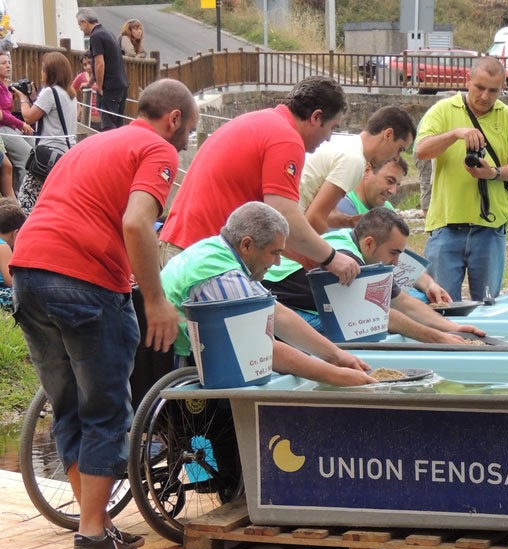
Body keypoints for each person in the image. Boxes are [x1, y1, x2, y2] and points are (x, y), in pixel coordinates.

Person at [10, 79, 199, 549]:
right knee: (108, 408)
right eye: (190, 130)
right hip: (85, 282)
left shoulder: (93, 145)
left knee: (68, 405)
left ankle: (97, 525)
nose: (187, 142)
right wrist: (156, 300)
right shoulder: (156, 149)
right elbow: (137, 223)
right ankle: (92, 533)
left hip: (27, 273)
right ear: (173, 119)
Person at [158, 76, 359, 287]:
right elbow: (285, 215)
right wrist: (331, 257)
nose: (328, 138)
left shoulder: (261, 121)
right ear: (316, 117)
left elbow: (274, 223)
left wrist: (310, 259)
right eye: (332, 128)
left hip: (181, 246)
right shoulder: (286, 139)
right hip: (200, 256)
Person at [161, 202, 377, 387]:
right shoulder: (223, 278)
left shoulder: (218, 250)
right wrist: (338, 376)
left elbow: (276, 314)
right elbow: (260, 350)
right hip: (179, 369)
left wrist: (336, 355)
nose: (277, 263)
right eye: (275, 253)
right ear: (247, 245)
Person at [263, 206, 486, 345]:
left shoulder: (353, 240)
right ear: (369, 243)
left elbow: (403, 303)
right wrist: (439, 338)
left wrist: (451, 327)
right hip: (281, 309)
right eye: (393, 253)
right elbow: (379, 316)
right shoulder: (347, 258)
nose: (397, 262)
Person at [414, 56, 508, 301]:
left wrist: (494, 173)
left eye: (493, 90)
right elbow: (421, 150)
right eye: (479, 88)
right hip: (446, 225)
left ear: (502, 89)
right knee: (442, 305)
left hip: (490, 227)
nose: (485, 96)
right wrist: (457, 134)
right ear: (468, 81)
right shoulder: (443, 110)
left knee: (488, 305)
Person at [336, 157, 450, 305]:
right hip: (355, 296)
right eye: (390, 181)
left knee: (426, 298)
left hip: (385, 288)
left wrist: (430, 285)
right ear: (367, 170)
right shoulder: (342, 210)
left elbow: (402, 260)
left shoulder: (387, 209)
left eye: (397, 184)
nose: (394, 191)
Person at [300, 105, 416, 232]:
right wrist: (333, 251)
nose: (396, 158)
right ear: (388, 134)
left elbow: (324, 213)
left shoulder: (346, 143)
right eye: (400, 149)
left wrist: (350, 221)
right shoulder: (355, 159)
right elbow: (314, 218)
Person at [11, 51, 78, 213]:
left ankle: (21, 235)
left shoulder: (50, 92)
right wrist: (34, 98)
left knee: (26, 200)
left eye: (43, 69)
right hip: (67, 153)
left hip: (48, 156)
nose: (41, 73)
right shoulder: (70, 94)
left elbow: (28, 117)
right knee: (54, 200)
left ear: (50, 72)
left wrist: (23, 98)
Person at [76, 8, 129, 130]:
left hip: (109, 86)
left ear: (84, 22)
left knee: (108, 125)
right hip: (121, 84)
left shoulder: (96, 36)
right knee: (118, 124)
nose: (80, 29)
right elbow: (97, 64)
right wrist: (90, 83)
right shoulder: (107, 32)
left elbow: (99, 63)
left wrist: (99, 86)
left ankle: (112, 149)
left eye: (80, 25)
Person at [0, 50, 33, 190]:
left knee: (33, 148)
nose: (8, 65)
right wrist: (20, 124)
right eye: (3, 63)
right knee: (26, 155)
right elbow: (2, 114)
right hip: (2, 128)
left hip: (10, 126)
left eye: (9, 62)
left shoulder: (5, 86)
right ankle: (25, 195)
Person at [0, 196, 24, 311]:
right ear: (16, 233)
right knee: (24, 298)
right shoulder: (3, 247)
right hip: (1, 291)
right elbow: (10, 281)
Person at [72, 54, 99, 126]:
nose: (88, 67)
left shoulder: (100, 75)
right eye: (85, 64)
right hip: (87, 115)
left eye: (89, 63)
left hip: (101, 114)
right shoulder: (81, 77)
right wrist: (78, 106)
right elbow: (70, 91)